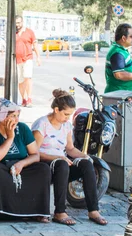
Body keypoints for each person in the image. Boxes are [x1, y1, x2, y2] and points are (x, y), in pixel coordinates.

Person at [32, 89, 107, 226]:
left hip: (63, 164)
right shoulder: (41, 124)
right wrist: (57, 158)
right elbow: (34, 152)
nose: (67, 118)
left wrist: (85, 156)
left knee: (86, 164)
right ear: (56, 109)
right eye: (65, 114)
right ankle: (60, 211)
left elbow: (70, 149)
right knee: (62, 164)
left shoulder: (66, 125)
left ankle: (93, 210)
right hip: (44, 164)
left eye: (70, 115)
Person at [0, 98, 51, 228]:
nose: (16, 120)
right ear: (1, 117)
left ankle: (37, 211)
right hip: (2, 168)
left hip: (21, 167)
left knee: (43, 169)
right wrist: (10, 137)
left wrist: (22, 164)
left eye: (18, 116)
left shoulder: (22, 128)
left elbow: (35, 155)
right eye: (13, 116)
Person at [105, 23, 132, 93]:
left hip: (122, 94)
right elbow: (119, 74)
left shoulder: (120, 50)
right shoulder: (117, 53)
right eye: (131, 36)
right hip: (118, 96)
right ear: (123, 38)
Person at [15, 15, 41, 107]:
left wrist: (38, 57)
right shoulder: (14, 33)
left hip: (28, 58)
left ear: (22, 22)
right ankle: (24, 99)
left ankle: (29, 98)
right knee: (20, 80)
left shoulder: (29, 32)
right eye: (16, 23)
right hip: (17, 60)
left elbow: (35, 45)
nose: (17, 25)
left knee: (28, 77)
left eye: (18, 23)